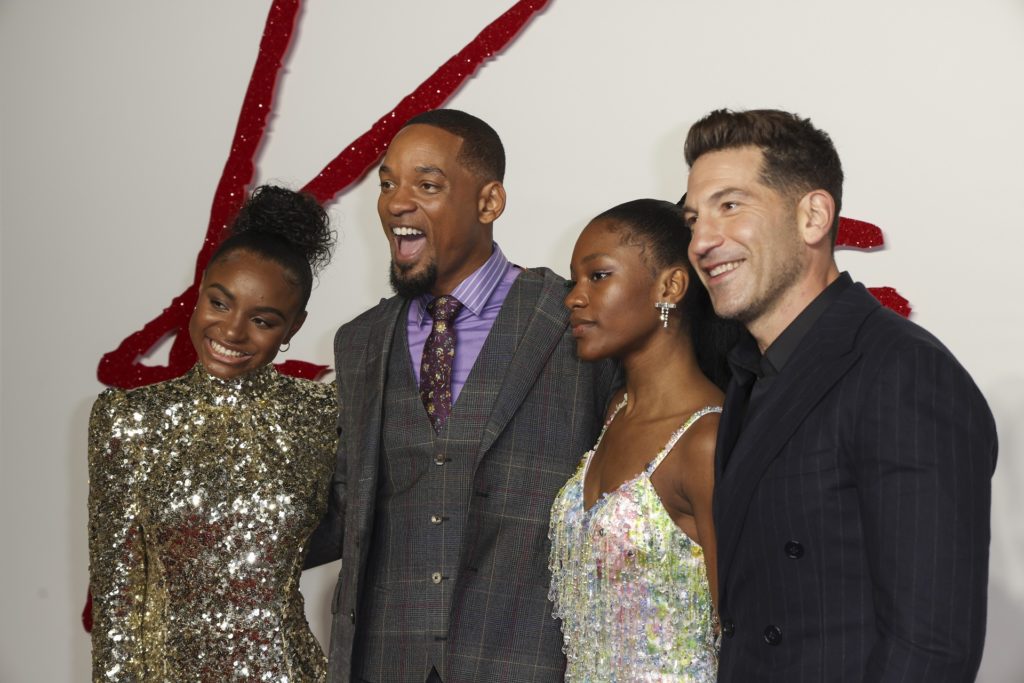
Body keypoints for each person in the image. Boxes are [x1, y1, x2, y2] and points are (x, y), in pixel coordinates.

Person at [681, 109, 998, 682]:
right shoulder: (750, 373)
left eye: (730, 206)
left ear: (813, 217)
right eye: (693, 218)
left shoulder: (903, 372)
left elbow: (930, 650)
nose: (702, 241)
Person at [304, 109, 617, 683]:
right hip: (385, 662)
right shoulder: (359, 343)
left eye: (427, 185)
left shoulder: (573, 319)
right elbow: (345, 508)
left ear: (489, 202)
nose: (397, 203)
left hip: (528, 662)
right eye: (387, 184)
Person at [88, 185, 338, 681]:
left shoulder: (325, 414)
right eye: (220, 303)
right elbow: (117, 604)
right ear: (199, 293)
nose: (232, 331)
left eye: (263, 320)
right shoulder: (127, 419)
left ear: (294, 327)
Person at [549, 199, 742, 681]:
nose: (574, 298)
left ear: (670, 286)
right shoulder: (616, 411)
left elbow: (741, 633)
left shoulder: (706, 439)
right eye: (574, 281)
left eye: (598, 276)